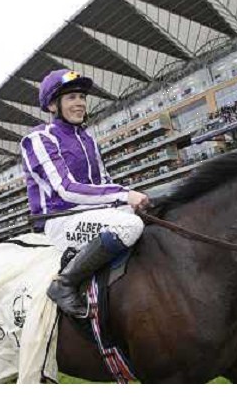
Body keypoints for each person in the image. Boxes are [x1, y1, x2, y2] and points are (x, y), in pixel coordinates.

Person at [20, 69, 150, 317]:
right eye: (71, 98)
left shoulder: (88, 138)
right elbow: (65, 189)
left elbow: (103, 181)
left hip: (93, 211)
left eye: (81, 96)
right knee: (130, 227)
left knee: (156, 211)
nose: (80, 103)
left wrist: (126, 199)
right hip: (60, 219)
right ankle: (63, 284)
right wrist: (124, 195)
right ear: (52, 105)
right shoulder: (37, 139)